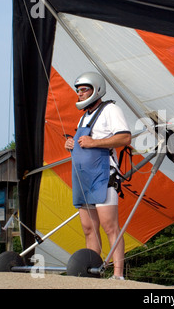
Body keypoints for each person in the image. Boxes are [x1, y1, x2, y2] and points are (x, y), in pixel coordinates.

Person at [64, 72, 131, 279]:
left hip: (103, 176)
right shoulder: (84, 115)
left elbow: (125, 137)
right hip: (83, 178)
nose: (80, 93)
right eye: (78, 90)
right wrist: (71, 146)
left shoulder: (110, 109)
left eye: (84, 89)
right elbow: (84, 144)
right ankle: (92, 273)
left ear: (96, 89)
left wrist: (94, 143)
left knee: (110, 226)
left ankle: (118, 275)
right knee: (88, 228)